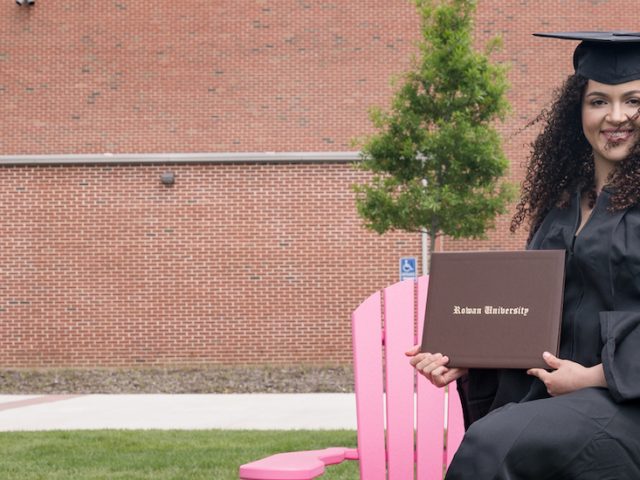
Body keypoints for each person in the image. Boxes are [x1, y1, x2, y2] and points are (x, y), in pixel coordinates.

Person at [406, 31, 640, 479]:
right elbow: (537, 311)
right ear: (578, 111)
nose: (616, 116)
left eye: (633, 100)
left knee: (495, 444)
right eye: (598, 101)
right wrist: (468, 353)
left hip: (625, 402)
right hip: (555, 399)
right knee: (502, 434)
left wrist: (596, 377)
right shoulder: (561, 203)